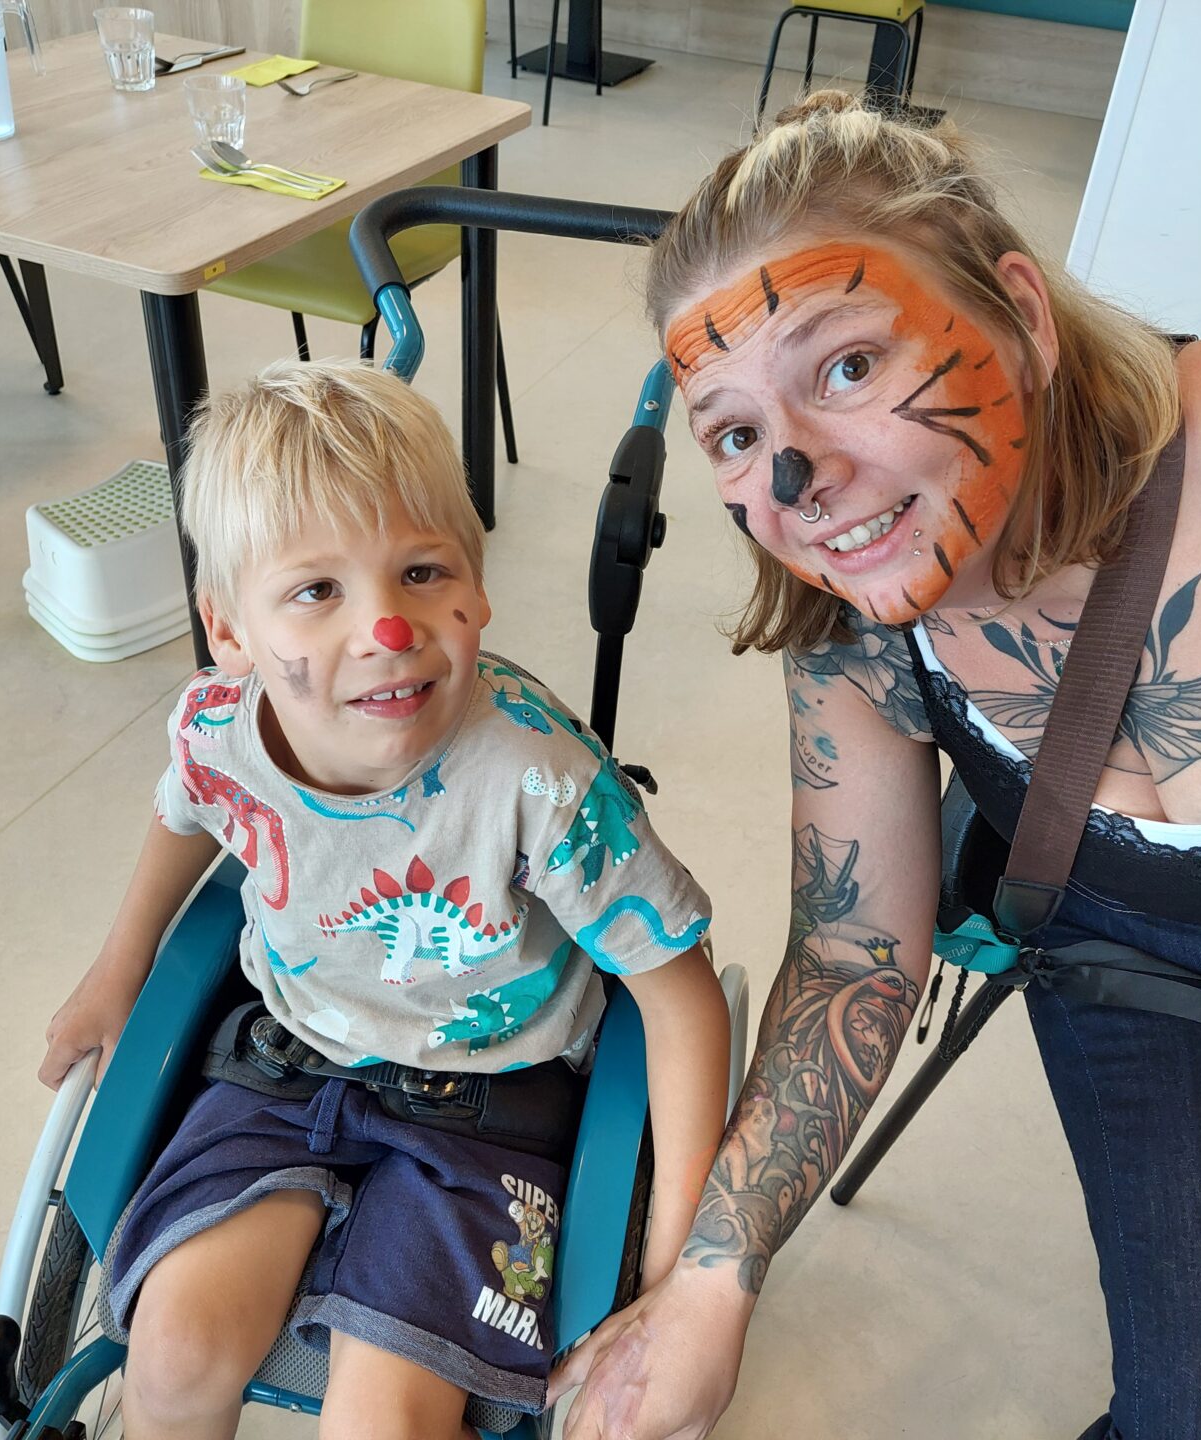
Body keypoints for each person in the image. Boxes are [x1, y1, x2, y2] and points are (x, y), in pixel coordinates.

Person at [551, 91, 1201, 1439]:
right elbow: (855, 955)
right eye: (736, 434)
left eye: (846, 367)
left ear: (1021, 317)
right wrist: (708, 1284)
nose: (798, 480)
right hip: (1178, 995)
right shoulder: (855, 626)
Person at [37, 362, 731, 1440]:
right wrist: (117, 968)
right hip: (285, 1067)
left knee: (383, 1427)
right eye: (317, 591)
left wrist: (677, 1273)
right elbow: (188, 812)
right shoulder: (217, 728)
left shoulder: (539, 779)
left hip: (493, 1109)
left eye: (420, 571)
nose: (388, 630)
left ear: (477, 586)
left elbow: (680, 998)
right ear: (230, 632)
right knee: (170, 1359)